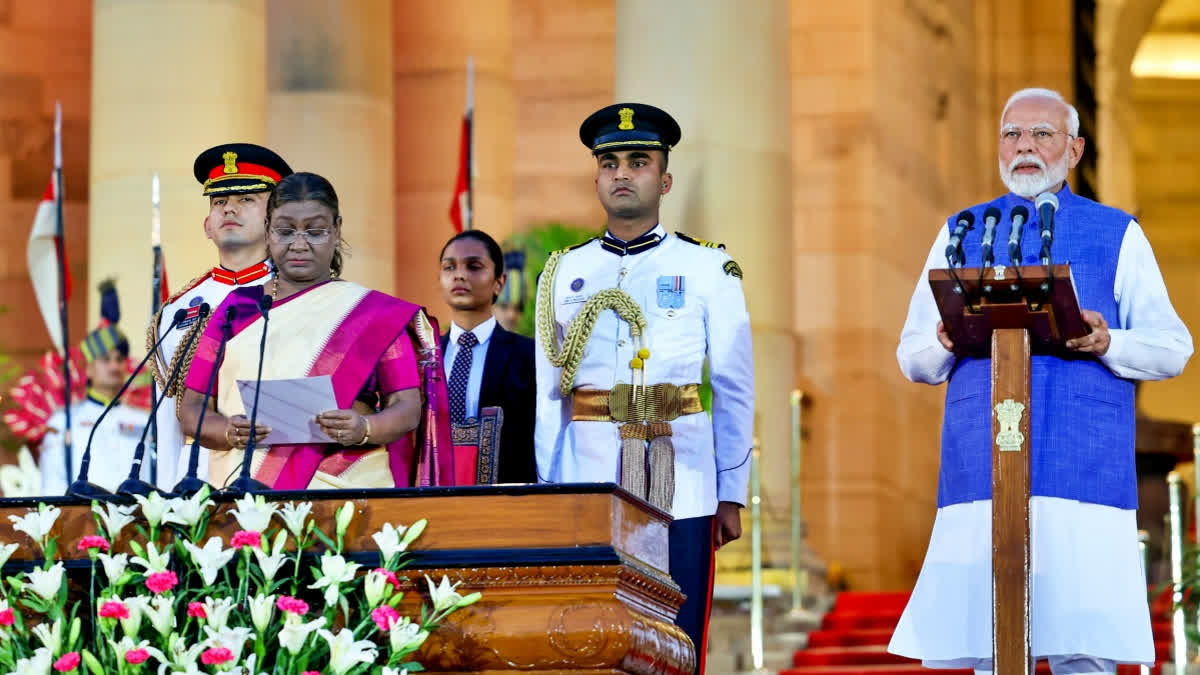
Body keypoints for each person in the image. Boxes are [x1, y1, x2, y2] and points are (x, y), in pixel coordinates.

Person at [889, 88, 1193, 674]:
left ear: (1075, 149)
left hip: (1084, 469)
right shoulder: (962, 232)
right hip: (986, 466)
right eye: (1012, 134)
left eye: (1042, 134)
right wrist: (945, 340)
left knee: (1086, 651)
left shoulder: (1116, 234)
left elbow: (1174, 347)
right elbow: (913, 357)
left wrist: (1108, 341)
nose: (1024, 146)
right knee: (992, 647)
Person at [533, 102, 755, 674]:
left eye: (639, 161)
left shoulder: (707, 268)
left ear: (665, 178)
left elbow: (734, 385)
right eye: (610, 163)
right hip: (588, 478)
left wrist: (731, 490)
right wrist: (546, 485)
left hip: (681, 477)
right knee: (589, 635)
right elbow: (547, 394)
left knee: (675, 642)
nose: (623, 173)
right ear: (597, 176)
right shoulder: (563, 270)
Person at [178, 172, 455, 490]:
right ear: (268, 231)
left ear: (336, 230)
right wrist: (227, 430)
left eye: (315, 231)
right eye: (285, 231)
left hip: (349, 491)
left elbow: (406, 408)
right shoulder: (236, 309)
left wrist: (363, 428)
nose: (299, 245)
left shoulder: (372, 313)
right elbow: (192, 408)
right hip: (246, 493)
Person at [148, 143, 292, 490]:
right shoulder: (177, 309)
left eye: (246, 200)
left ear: (275, 219)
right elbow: (167, 416)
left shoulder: (296, 295)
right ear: (207, 225)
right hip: (193, 479)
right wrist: (163, 494)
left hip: (273, 471)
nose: (229, 208)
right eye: (219, 202)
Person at [438, 230, 536, 483]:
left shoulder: (529, 356)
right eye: (449, 267)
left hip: (507, 498)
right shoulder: (423, 356)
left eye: (474, 266)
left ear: (499, 282)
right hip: (434, 493)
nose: (459, 275)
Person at [41, 281, 150, 494]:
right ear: (88, 368)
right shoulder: (64, 421)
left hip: (137, 520)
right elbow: (51, 483)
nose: (114, 366)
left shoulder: (143, 421)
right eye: (105, 359)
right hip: (82, 520)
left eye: (119, 359)